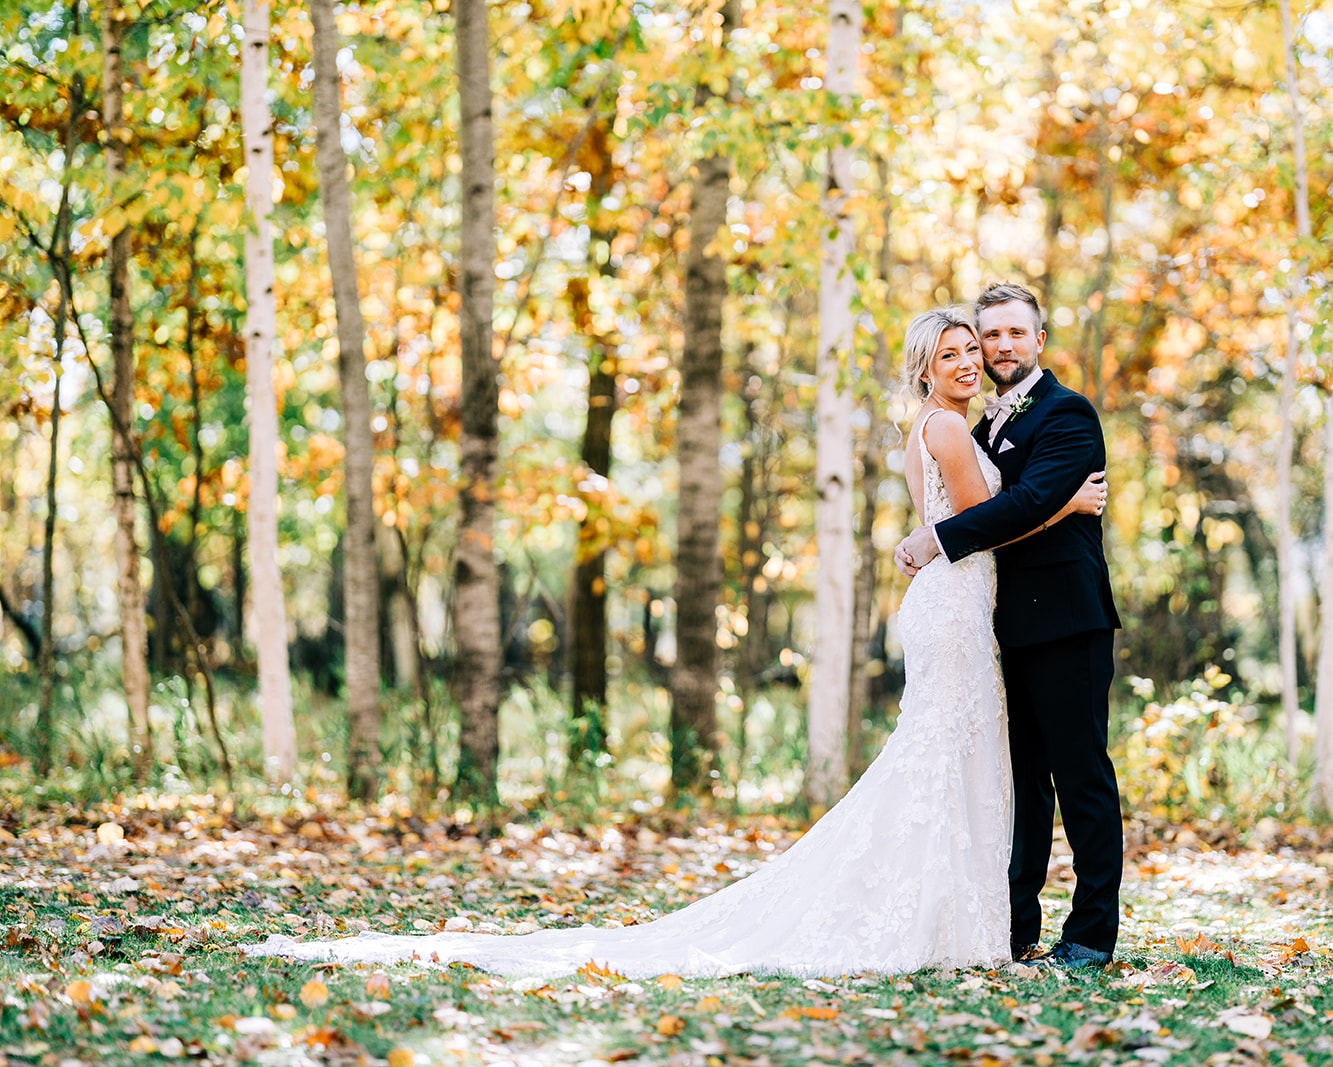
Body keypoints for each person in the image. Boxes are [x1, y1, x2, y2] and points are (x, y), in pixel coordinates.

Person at [244, 305, 1105, 980]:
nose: (969, 358)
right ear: (927, 364)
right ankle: (947, 917)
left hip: (958, 606)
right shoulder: (951, 427)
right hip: (954, 604)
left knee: (953, 759)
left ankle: (966, 915)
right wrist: (1065, 504)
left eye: (978, 346)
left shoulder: (985, 420)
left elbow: (976, 510)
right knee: (944, 758)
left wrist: (967, 523)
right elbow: (994, 517)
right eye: (953, 349)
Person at [895, 283, 1123, 971]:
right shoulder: (978, 423)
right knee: (1021, 785)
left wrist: (936, 538)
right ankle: (1013, 924)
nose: (997, 348)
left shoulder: (1068, 415)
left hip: (1066, 622)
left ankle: (1089, 935)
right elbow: (1000, 507)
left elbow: (1022, 503)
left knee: (1080, 776)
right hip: (1000, 628)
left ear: (1038, 340)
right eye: (985, 337)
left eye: (1010, 334)